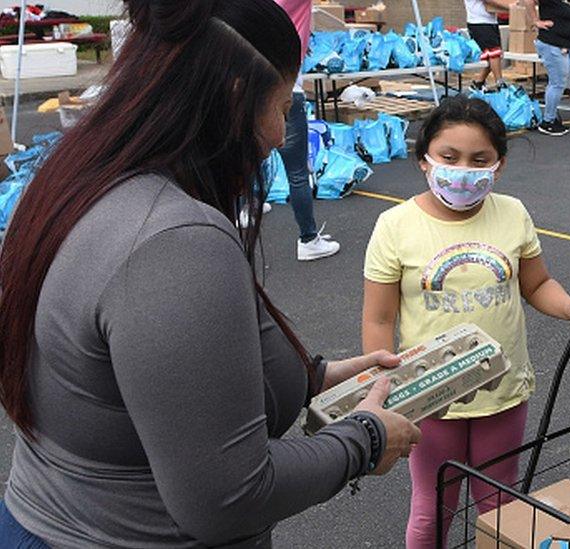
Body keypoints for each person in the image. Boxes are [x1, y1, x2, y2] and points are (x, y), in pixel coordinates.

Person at [0, 1, 421, 546]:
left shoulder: (77, 180)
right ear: (235, 97)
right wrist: (364, 439)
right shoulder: (175, 244)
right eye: (282, 106)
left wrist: (316, 377)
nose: (279, 134)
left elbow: (143, 380)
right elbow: (227, 499)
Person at [361, 96, 570, 548]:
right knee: (433, 505)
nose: (463, 170)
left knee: (500, 502)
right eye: (449, 158)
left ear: (499, 165)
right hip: (431, 395)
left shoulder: (512, 213)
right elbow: (379, 319)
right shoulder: (395, 225)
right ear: (423, 160)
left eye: (479, 160)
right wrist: (386, 391)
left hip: (504, 388)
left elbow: (536, 286)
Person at [276, 0, 341, 260]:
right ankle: (308, 239)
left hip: (248, 87)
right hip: (287, 91)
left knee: (244, 162)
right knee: (297, 172)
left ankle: (241, 215)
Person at [524, 0, 570, 136]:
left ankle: (552, 117)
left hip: (566, 44)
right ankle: (547, 122)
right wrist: (535, 21)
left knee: (559, 82)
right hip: (553, 43)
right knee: (557, 83)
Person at [465, 0, 507, 92]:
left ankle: (479, 82)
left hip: (490, 21)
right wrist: (511, 6)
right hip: (479, 22)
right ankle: (500, 83)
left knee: (494, 55)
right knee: (494, 54)